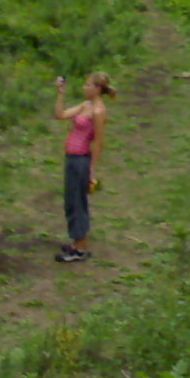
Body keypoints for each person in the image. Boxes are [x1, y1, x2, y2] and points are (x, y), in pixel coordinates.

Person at [52, 71, 114, 263]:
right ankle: (76, 242)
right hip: (71, 158)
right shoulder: (86, 105)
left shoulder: (98, 112)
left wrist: (91, 170)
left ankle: (79, 248)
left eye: (88, 85)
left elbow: (98, 142)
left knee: (77, 202)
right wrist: (60, 93)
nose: (84, 88)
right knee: (70, 201)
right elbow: (60, 115)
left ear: (97, 88)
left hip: (81, 160)